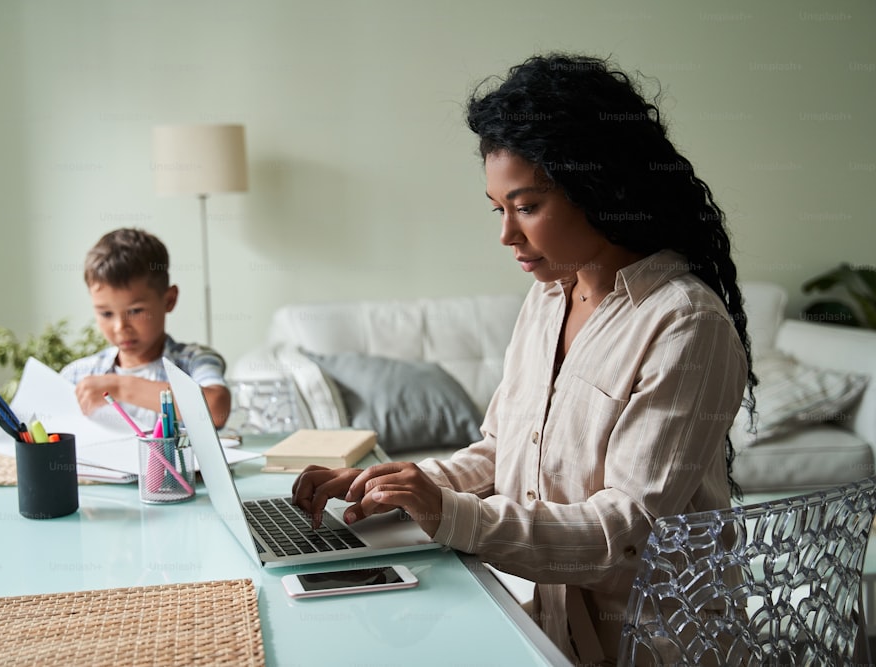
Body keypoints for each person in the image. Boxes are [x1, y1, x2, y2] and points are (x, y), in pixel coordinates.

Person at [292, 53, 756, 665]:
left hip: (648, 645)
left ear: (602, 189)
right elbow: (503, 450)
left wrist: (450, 515)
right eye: (498, 208)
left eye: (527, 206)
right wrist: (402, 486)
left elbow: (628, 532)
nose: (506, 235)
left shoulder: (684, 323)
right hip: (544, 627)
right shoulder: (547, 298)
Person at [0, 227, 231, 433]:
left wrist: (119, 387)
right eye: (105, 313)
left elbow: (216, 410)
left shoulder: (193, 360)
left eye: (136, 311)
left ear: (169, 300)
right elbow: (21, 440)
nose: (120, 327)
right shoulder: (80, 375)